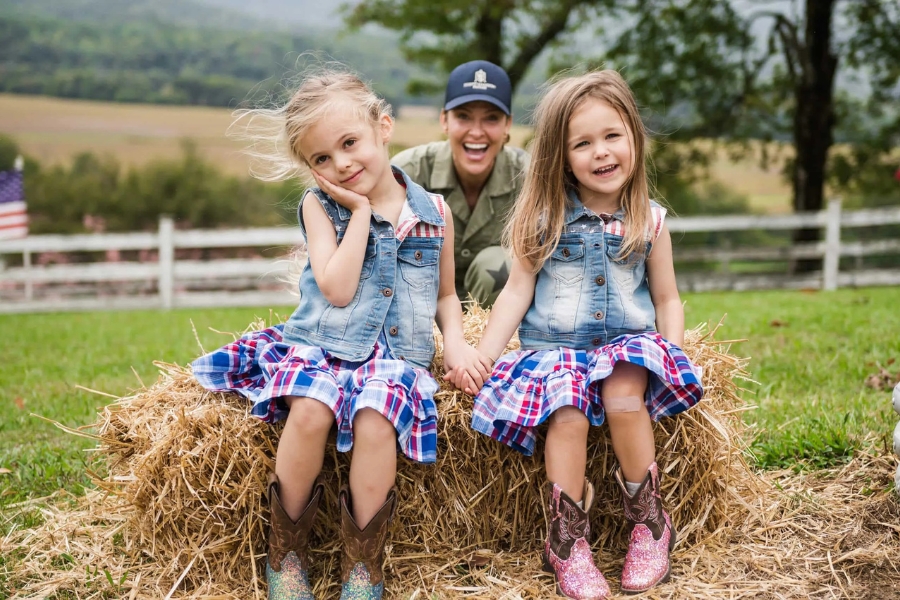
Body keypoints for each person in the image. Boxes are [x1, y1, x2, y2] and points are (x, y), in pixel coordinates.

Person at [191, 68, 490, 600]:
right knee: (311, 409)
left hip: (396, 356)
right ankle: (285, 553)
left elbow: (446, 295)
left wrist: (459, 342)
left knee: (378, 418)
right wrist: (358, 214)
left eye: (350, 144)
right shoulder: (319, 206)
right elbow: (336, 287)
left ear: (384, 127)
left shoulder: (434, 213)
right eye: (321, 159)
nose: (341, 164)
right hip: (324, 346)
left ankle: (362, 567)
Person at [447, 70, 703, 598]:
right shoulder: (542, 219)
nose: (601, 152)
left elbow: (666, 298)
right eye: (582, 143)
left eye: (612, 136)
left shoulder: (650, 222)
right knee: (565, 410)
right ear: (561, 158)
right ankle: (567, 540)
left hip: (624, 346)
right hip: (555, 349)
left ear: (634, 136)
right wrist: (484, 356)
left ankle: (648, 522)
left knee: (623, 390)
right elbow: (516, 292)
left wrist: (671, 352)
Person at [392, 60, 529, 308]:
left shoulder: (529, 178)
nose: (476, 132)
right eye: (463, 117)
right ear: (444, 120)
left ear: (508, 124)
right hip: (419, 311)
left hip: (501, 317)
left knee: (499, 263)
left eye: (491, 119)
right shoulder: (408, 174)